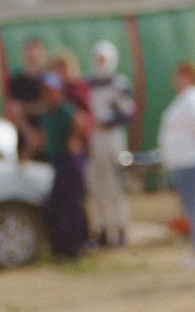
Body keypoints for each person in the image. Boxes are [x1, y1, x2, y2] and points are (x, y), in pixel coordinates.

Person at [158, 59, 195, 265]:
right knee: (191, 206)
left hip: (194, 160)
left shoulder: (194, 97)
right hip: (184, 161)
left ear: (190, 77)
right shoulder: (185, 98)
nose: (175, 80)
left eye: (180, 76)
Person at [36, 56, 92, 259]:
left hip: (69, 162)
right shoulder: (47, 113)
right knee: (56, 205)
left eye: (50, 90)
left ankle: (77, 247)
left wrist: (73, 139)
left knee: (72, 205)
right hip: (56, 162)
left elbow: (80, 120)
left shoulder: (64, 109)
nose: (47, 94)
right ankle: (62, 246)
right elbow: (42, 138)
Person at [85, 41, 135, 247]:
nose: (101, 63)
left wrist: (108, 119)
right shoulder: (87, 83)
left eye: (104, 59)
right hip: (94, 138)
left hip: (113, 138)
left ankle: (121, 228)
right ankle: (103, 229)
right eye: (98, 59)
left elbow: (128, 113)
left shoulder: (119, 84)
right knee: (96, 185)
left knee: (116, 183)